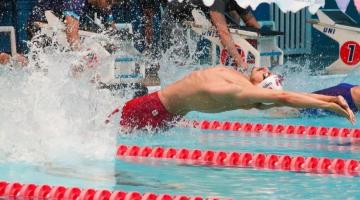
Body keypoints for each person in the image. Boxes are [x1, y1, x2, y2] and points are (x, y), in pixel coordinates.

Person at [111, 66, 355, 131]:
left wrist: (331, 102)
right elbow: (281, 96)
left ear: (260, 87)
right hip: (163, 112)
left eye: (266, 75)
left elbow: (285, 97)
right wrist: (331, 100)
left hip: (151, 110)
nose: (265, 69)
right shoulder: (239, 82)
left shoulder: (239, 91)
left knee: (105, 132)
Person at [161, 0, 260, 69]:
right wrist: (241, 63)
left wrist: (255, 49)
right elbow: (223, 33)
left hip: (200, 11)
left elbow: (251, 22)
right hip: (174, 17)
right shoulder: (216, 2)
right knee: (179, 61)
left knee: (234, 29)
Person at [27, 0, 115, 50]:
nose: (109, 7)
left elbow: (112, 30)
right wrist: (82, 56)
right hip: (42, 26)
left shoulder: (104, 4)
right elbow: (72, 35)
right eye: (109, 2)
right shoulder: (76, 2)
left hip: (60, 22)